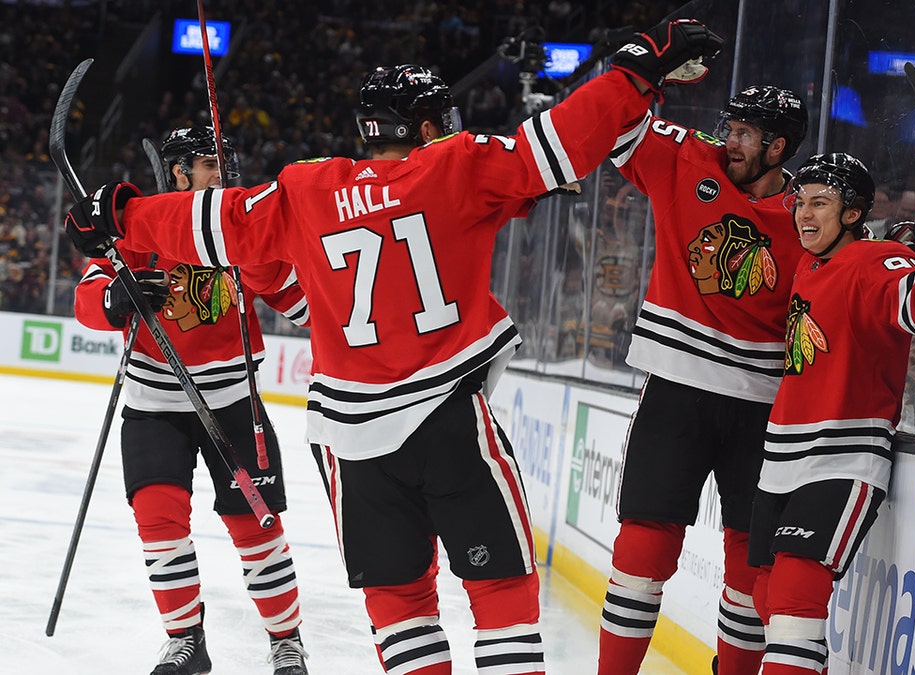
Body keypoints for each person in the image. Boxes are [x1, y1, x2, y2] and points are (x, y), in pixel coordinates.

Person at [65, 19, 724, 674]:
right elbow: (559, 140)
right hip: (445, 421)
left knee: (400, 608)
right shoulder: (458, 166)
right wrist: (638, 68)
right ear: (430, 126)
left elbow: (217, 221)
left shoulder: (306, 187)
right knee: (502, 601)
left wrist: (118, 214)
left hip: (350, 443)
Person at [72, 126, 311, 675]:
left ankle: (285, 643)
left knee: (257, 529)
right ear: (178, 171)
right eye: (209, 164)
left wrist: (261, 261)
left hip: (233, 407)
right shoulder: (139, 225)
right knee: (159, 524)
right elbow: (88, 296)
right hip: (154, 406)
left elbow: (303, 305)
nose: (223, 174)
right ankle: (186, 641)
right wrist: (115, 297)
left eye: (226, 163)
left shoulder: (239, 225)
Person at [596, 85, 808, 675]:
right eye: (729, 127)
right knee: (644, 544)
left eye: (744, 133)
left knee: (749, 563)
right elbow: (611, 125)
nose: (729, 141)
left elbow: (858, 271)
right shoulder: (687, 158)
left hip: (764, 407)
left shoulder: (810, 211)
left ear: (779, 147)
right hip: (676, 388)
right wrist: (645, 71)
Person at [746, 153, 915, 674]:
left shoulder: (877, 259)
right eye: (800, 202)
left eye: (819, 203)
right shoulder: (809, 260)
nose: (804, 213)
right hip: (780, 457)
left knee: (797, 597)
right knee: (763, 595)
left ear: (852, 214)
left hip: (841, 455)